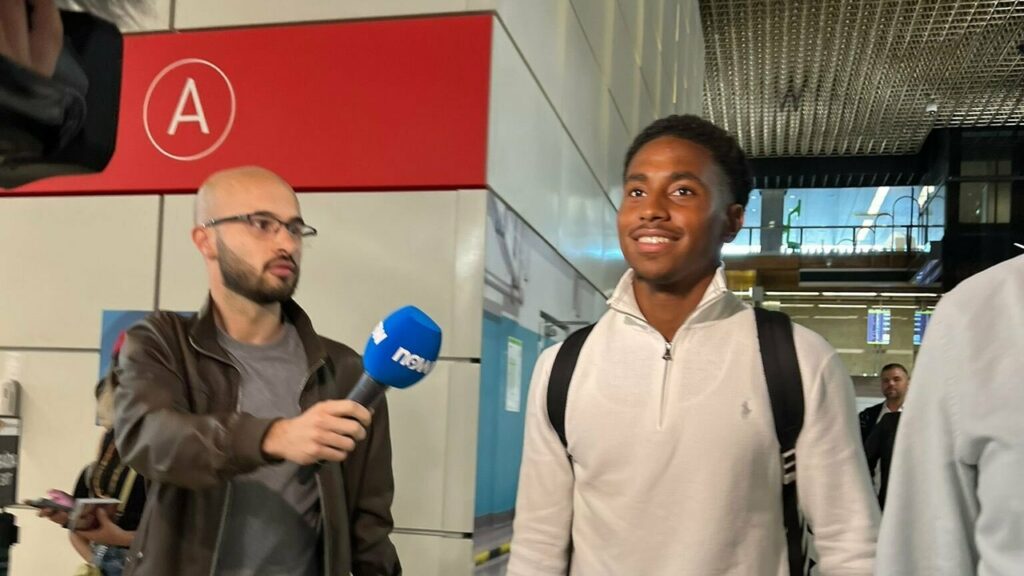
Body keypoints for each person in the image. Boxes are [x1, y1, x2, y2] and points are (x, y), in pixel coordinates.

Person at [508, 115, 879, 575]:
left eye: (682, 191)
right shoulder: (562, 367)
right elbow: (537, 547)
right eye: (637, 191)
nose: (651, 210)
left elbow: (851, 543)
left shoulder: (797, 361)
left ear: (733, 220)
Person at [113, 166, 401, 576]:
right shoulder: (164, 343)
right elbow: (149, 437)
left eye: (295, 229)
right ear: (205, 239)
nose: (286, 243)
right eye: (262, 224)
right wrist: (274, 436)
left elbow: (369, 529)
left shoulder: (346, 370)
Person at [876, 254, 1024, 575]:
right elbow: (929, 552)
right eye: (886, 380)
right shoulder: (977, 316)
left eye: (896, 379)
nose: (890, 385)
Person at [39, 340, 146, 576]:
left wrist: (123, 539)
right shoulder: (109, 445)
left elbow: (190, 535)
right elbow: (79, 533)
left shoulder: (178, 450)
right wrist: (72, 520)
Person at [858, 364, 910, 444]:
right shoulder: (866, 416)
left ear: (908, 383)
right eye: (886, 380)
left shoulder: (919, 415)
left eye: (896, 379)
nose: (891, 383)